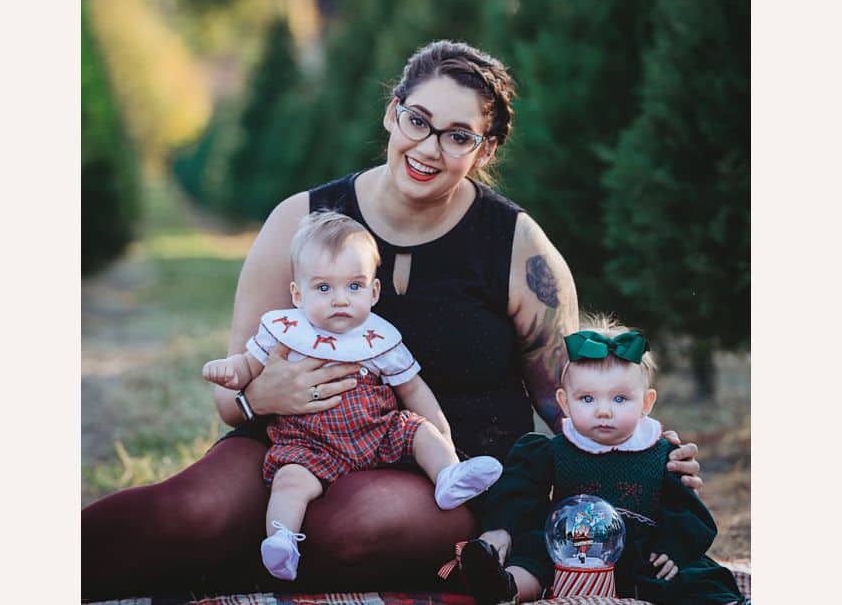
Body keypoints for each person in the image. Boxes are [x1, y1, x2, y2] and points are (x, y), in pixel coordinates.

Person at [81, 40, 704, 600]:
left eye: (458, 136)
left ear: (484, 148)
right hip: (291, 444)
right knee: (190, 510)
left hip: (441, 466)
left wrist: (643, 453)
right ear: (392, 112)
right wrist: (254, 398)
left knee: (349, 526)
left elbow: (567, 393)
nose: (429, 148)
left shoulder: (517, 245)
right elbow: (231, 397)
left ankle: (234, 560)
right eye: (418, 121)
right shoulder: (299, 221)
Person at [202, 211, 503, 581]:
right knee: (289, 480)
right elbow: (250, 365)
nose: (340, 300)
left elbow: (414, 390)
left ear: (374, 291)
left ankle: (448, 477)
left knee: (418, 430)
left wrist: (444, 442)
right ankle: (281, 540)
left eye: (354, 286)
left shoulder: (379, 339)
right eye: (324, 288)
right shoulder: (286, 331)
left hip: (377, 433)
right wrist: (232, 370)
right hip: (309, 444)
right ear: (298, 294)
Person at [457, 317, 745, 605]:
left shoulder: (661, 452)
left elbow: (685, 509)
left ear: (646, 403)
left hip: (644, 552)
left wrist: (673, 548)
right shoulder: (552, 451)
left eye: (620, 399)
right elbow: (517, 492)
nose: (603, 411)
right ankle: (505, 586)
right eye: (587, 399)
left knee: (689, 575)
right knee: (535, 551)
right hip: (572, 550)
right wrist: (505, 526)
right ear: (564, 402)